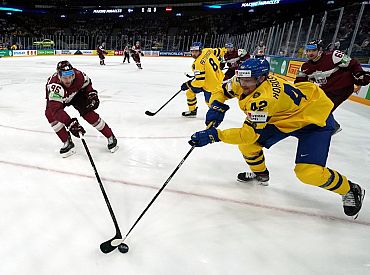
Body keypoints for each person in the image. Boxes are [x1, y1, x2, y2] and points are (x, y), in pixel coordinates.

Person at [189, 58, 365, 218]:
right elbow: (222, 91)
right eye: (241, 79)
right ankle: (261, 175)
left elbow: (247, 134)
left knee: (308, 173)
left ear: (262, 79)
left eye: (248, 81)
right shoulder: (245, 79)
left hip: (312, 121)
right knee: (248, 146)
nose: (243, 84)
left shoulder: (264, 99)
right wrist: (217, 105)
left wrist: (215, 135)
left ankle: (350, 189)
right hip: (283, 118)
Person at [45, 61, 118, 157]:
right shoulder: (54, 87)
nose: (68, 81)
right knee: (50, 114)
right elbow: (56, 110)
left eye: (71, 77)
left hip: (76, 95)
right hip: (59, 98)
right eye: (65, 78)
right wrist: (69, 123)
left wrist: (91, 94)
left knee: (88, 113)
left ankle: (110, 135)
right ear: (59, 76)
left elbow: (87, 85)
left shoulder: (79, 76)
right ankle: (67, 141)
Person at [295, 39, 370, 134]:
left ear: (320, 50)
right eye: (308, 51)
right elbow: (299, 82)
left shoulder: (334, 56)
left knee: (323, 108)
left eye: (313, 50)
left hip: (343, 87)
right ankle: (332, 125)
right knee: (315, 107)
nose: (310, 53)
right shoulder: (305, 67)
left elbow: (353, 63)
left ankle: (331, 127)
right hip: (326, 90)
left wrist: (360, 75)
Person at [180, 41, 226, 117]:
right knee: (190, 93)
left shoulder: (197, 64)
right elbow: (220, 51)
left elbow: (199, 82)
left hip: (211, 85)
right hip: (217, 78)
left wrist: (187, 84)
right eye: (192, 51)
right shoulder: (207, 50)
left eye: (196, 51)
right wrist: (225, 51)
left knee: (209, 102)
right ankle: (192, 111)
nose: (194, 54)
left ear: (200, 50)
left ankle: (216, 115)